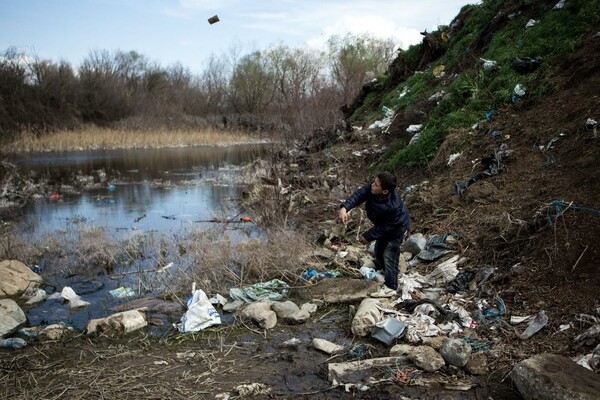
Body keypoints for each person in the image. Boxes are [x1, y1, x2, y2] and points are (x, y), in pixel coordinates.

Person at [339, 171, 410, 297]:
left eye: (376, 184)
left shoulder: (394, 206)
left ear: (385, 191)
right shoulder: (372, 189)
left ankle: (391, 287)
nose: (372, 185)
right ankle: (390, 273)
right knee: (378, 252)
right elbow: (358, 196)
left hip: (396, 229)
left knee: (389, 254)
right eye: (374, 182)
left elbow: (388, 226)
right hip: (383, 226)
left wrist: (368, 236)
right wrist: (345, 207)